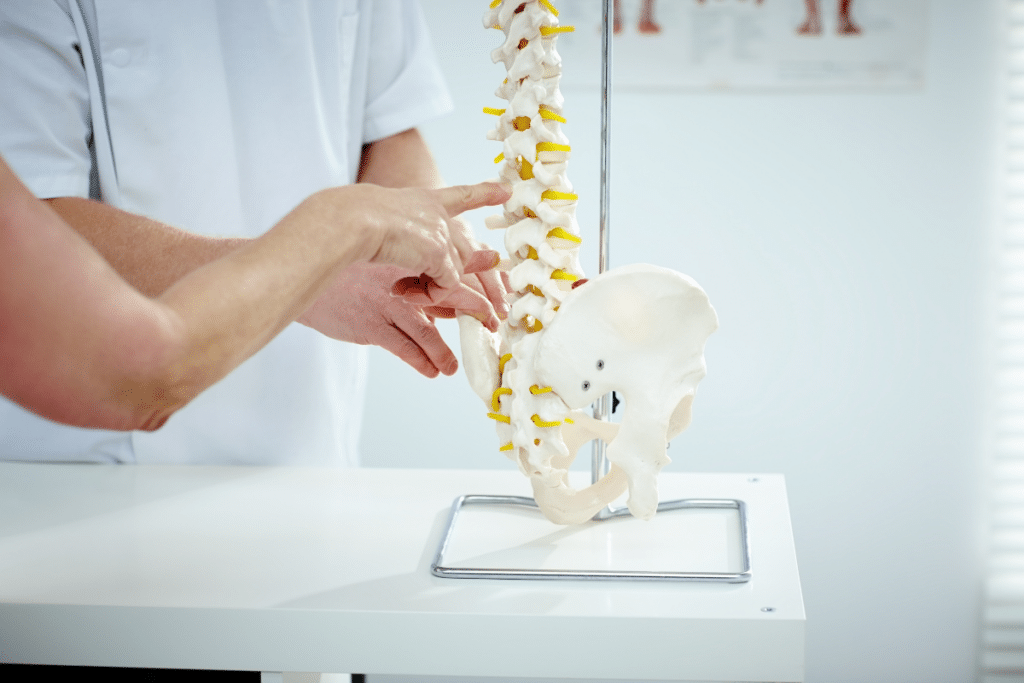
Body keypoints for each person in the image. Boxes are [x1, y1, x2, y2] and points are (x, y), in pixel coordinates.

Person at [0, 0, 503, 465]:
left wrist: (426, 227)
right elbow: (36, 213)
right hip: (92, 460)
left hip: (305, 431)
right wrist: (318, 260)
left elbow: (389, 120)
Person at [0, 154, 509, 432]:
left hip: (308, 444)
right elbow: (138, 375)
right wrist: (335, 236)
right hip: (82, 482)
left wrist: (414, 223)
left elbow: (389, 123)